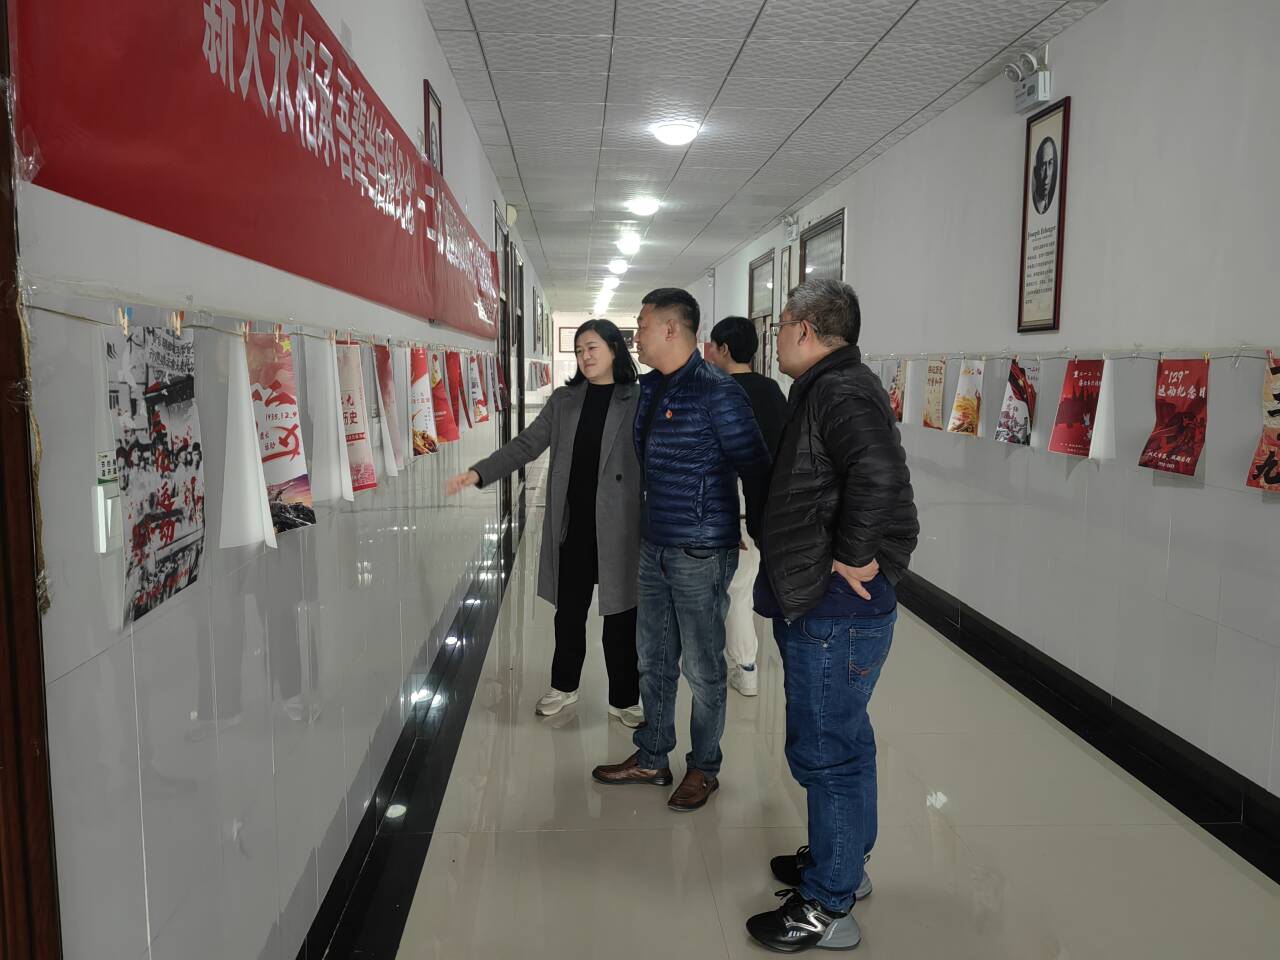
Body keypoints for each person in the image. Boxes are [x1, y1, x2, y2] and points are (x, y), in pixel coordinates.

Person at [745, 279, 919, 953]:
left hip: (836, 608)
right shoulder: (831, 385)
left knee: (827, 752)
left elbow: (878, 472)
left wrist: (852, 553)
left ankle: (827, 905)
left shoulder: (839, 389)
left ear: (805, 329)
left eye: (781, 326)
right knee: (846, 740)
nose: (776, 339)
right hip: (831, 605)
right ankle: (842, 864)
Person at [592, 289, 770, 812]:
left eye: (642, 325)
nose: (636, 335)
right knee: (653, 658)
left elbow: (755, 466)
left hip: (701, 550)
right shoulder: (649, 388)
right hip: (655, 545)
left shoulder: (718, 391)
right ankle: (652, 756)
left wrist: (752, 532)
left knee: (703, 667)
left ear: (671, 329)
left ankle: (704, 766)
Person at [445, 319, 645, 727]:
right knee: (569, 614)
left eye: (592, 348)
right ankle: (563, 686)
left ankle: (625, 698)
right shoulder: (565, 401)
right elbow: (527, 445)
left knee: (622, 618)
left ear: (613, 349)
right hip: (573, 526)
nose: (585, 356)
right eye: (579, 350)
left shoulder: (638, 399)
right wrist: (480, 472)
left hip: (621, 527)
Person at [706, 316, 788, 697]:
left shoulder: (718, 390)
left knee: (729, 593)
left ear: (724, 349)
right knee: (740, 589)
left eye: (712, 346)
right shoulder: (772, 390)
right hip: (761, 509)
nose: (709, 353)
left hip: (726, 509)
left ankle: (744, 667)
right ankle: (737, 665)